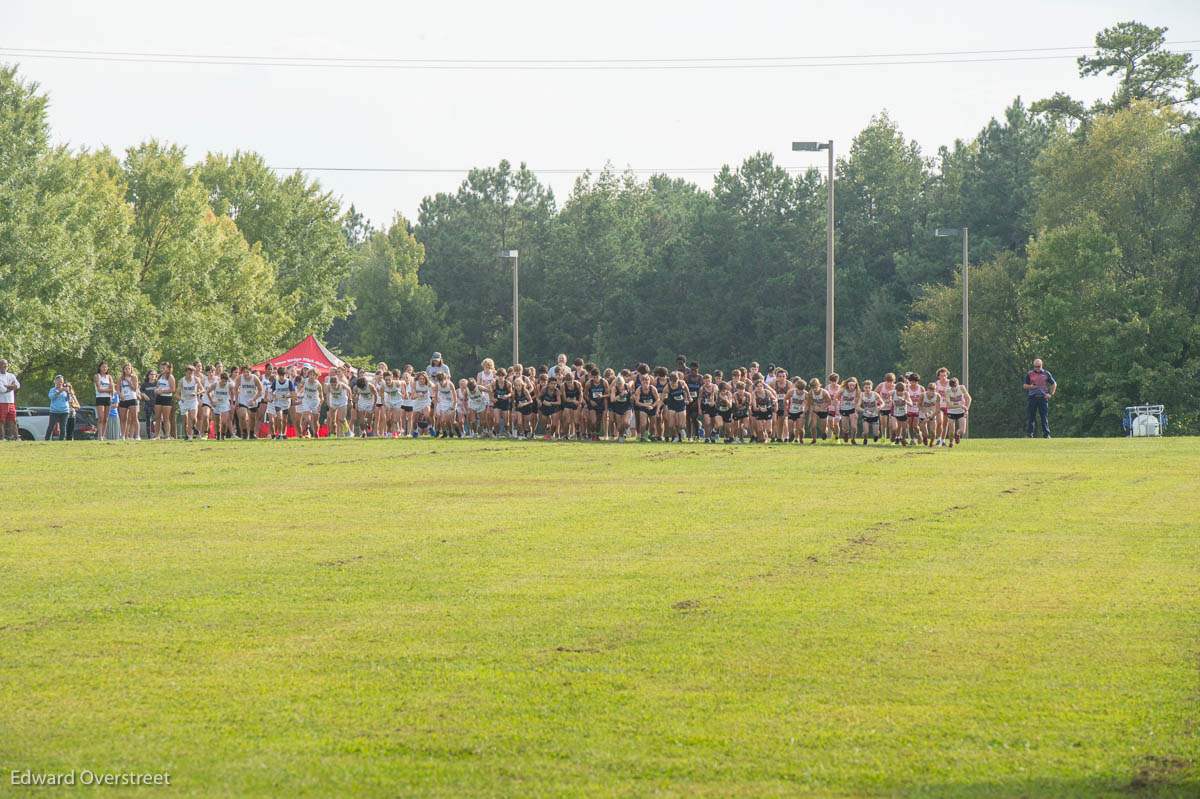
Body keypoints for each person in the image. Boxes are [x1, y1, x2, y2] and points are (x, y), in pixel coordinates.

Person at [1024, 359, 1055, 438]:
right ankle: (1029, 435)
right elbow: (1024, 385)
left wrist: (1051, 394)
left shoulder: (1046, 374)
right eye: (1035, 367)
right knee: (1031, 416)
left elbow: (1054, 384)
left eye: (1038, 366)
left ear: (1042, 365)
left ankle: (1046, 434)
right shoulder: (1029, 374)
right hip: (1032, 397)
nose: (1036, 368)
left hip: (1043, 398)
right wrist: (1031, 387)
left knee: (1044, 417)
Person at [92, 361, 113, 441]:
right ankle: (100, 435)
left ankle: (103, 435)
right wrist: (107, 390)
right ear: (100, 368)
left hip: (107, 398)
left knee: (106, 418)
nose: (105, 368)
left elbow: (112, 389)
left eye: (106, 367)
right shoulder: (97, 376)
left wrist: (108, 390)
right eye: (103, 367)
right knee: (101, 417)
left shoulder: (109, 377)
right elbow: (99, 389)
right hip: (100, 398)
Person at [46, 375, 71, 440]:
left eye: (61, 382)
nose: (60, 383)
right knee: (51, 426)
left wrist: (68, 392)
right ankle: (47, 439)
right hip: (54, 411)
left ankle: (61, 440)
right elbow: (52, 398)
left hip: (64, 411)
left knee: (63, 427)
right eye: (58, 381)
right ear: (55, 382)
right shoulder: (52, 390)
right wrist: (60, 391)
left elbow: (68, 399)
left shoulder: (65, 390)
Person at [0, 358, 19, 441]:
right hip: (2, 402)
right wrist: (12, 387)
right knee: (2, 421)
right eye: (3, 364)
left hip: (11, 402)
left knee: (13, 420)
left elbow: (18, 385)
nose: (5, 365)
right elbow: (2, 390)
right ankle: (2, 438)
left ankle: (16, 437)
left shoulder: (11, 375)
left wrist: (7, 386)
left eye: (6, 364)